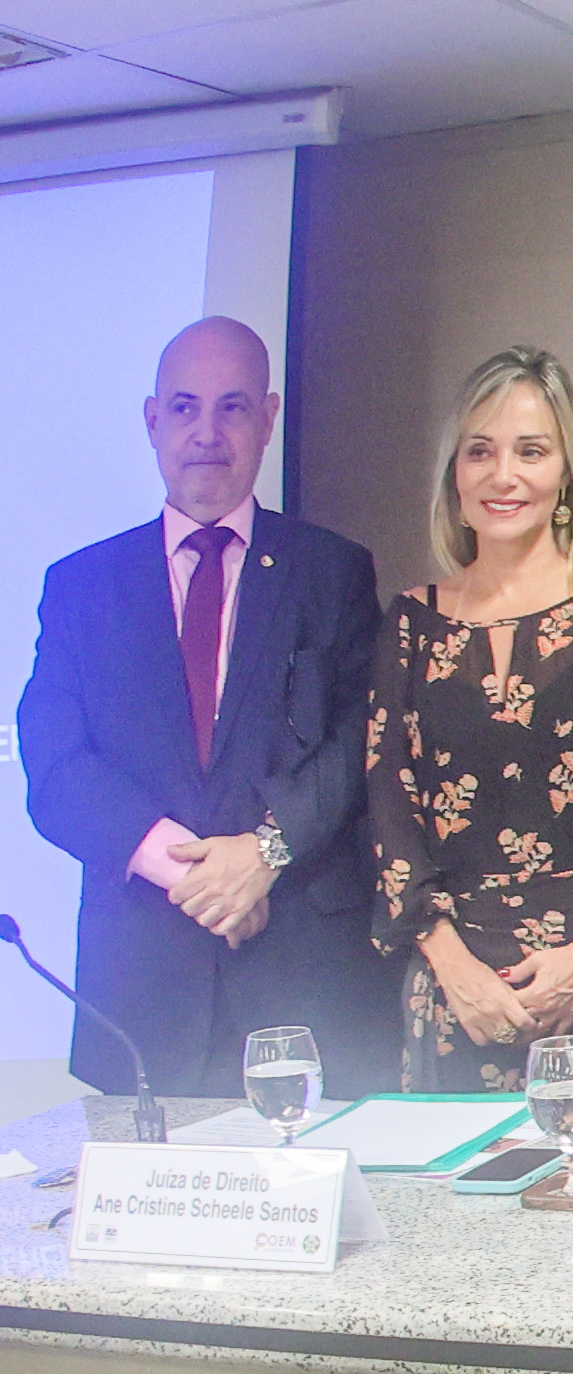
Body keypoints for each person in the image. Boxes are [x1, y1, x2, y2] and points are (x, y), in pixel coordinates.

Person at [17, 317, 393, 1099]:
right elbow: (53, 767)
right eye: (185, 409)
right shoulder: (82, 586)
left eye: (232, 407)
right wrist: (180, 867)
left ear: (268, 417)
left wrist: (262, 853)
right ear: (153, 420)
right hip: (143, 993)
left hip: (303, 984)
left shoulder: (333, 570)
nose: (208, 434)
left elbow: (365, 737)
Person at [366, 348, 573, 1103]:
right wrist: (453, 969)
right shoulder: (411, 621)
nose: (502, 475)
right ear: (454, 471)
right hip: (456, 995)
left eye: (530, 451)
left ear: (566, 469)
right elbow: (389, 810)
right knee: (456, 1216)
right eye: (480, 451)